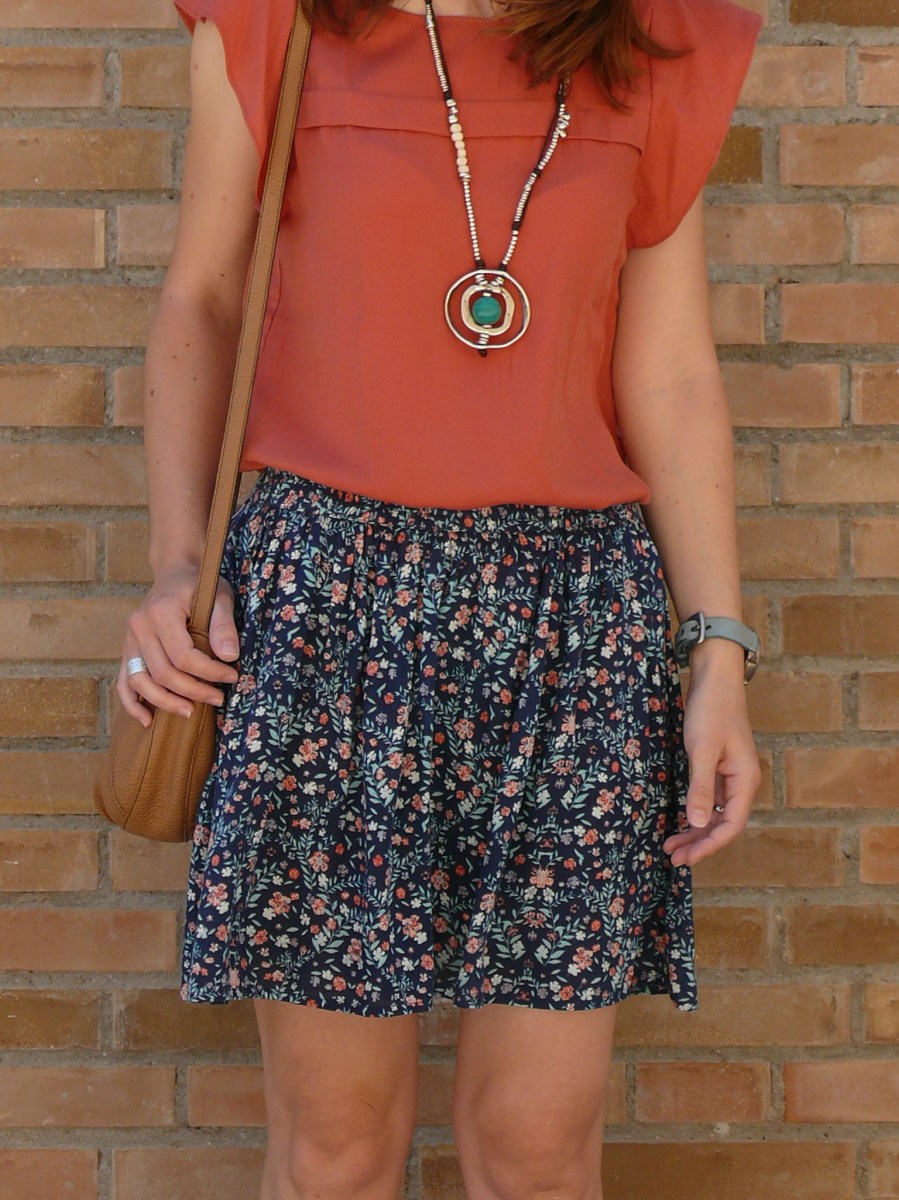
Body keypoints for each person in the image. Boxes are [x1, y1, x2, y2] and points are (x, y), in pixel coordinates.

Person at [117, 0, 763, 1195]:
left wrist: (716, 648)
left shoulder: (653, 40)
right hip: (327, 613)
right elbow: (202, 297)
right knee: (337, 1147)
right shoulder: (275, 21)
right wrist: (175, 562)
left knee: (536, 1147)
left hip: (573, 626)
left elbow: (670, 370)